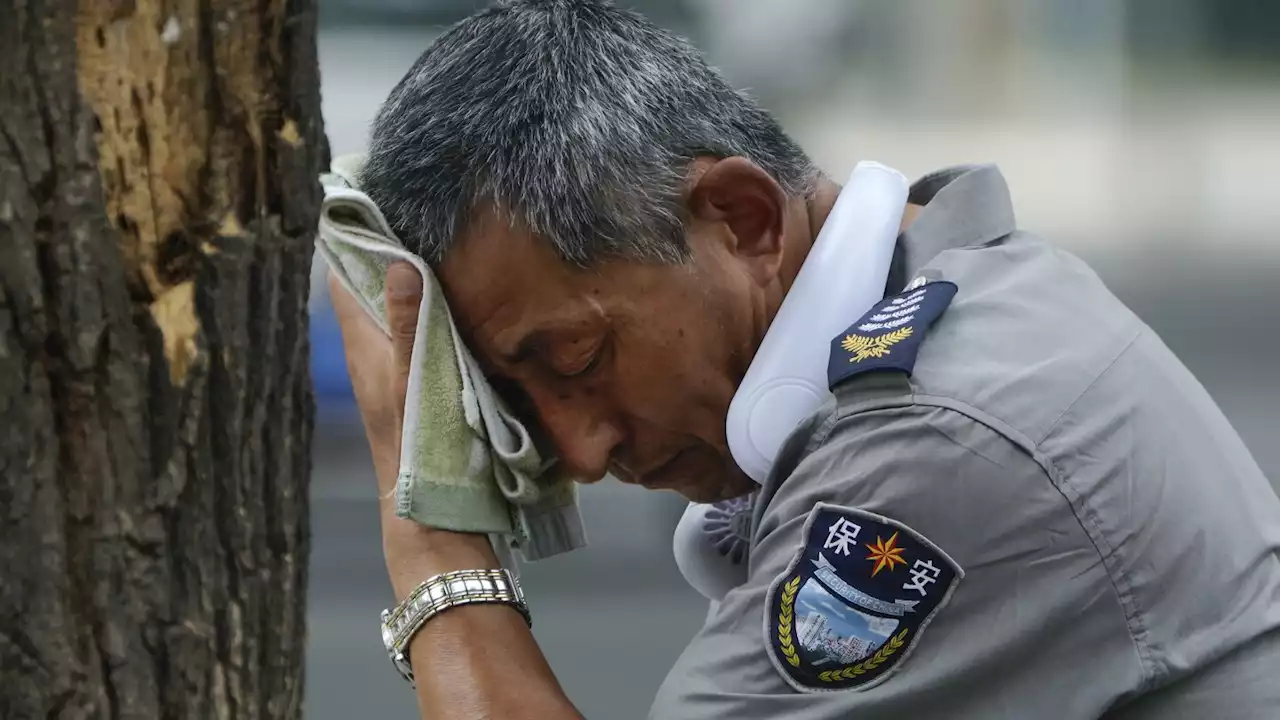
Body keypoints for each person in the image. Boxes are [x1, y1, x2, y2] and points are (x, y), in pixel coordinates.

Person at [330, 1, 1280, 717]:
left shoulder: (930, 443)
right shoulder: (960, 284)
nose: (576, 449)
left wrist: (432, 532)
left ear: (742, 219)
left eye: (578, 356)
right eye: (511, 396)